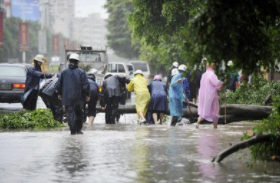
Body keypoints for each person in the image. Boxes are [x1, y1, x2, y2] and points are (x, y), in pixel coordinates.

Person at [56, 53, 90, 135]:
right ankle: (78, 130)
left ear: (69, 61)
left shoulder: (63, 72)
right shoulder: (81, 72)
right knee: (79, 113)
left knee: (70, 113)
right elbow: (85, 85)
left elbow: (58, 84)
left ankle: (73, 131)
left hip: (67, 97)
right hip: (79, 97)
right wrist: (87, 95)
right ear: (77, 62)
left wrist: (59, 93)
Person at [196, 62, 223, 129]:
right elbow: (217, 83)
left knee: (204, 110)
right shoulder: (212, 74)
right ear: (212, 65)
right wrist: (223, 84)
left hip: (204, 96)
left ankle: (197, 123)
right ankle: (215, 127)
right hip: (211, 96)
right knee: (215, 111)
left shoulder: (204, 75)